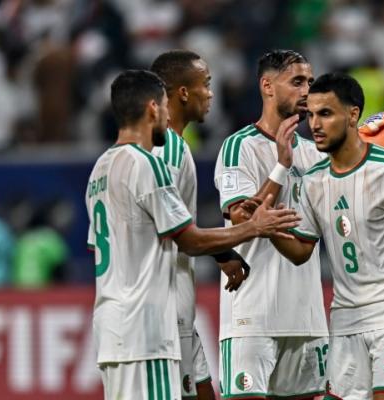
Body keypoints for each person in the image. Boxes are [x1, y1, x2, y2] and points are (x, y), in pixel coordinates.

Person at [86, 69, 300, 400]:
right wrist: (254, 227)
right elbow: (188, 239)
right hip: (146, 325)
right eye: (164, 106)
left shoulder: (99, 170)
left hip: (111, 324)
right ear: (153, 108)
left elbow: (100, 246)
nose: (167, 115)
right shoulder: (147, 164)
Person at [269, 72, 384, 400]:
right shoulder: (313, 181)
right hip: (345, 317)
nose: (315, 125)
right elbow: (301, 251)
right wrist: (268, 230)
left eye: (325, 114)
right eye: (311, 115)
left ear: (353, 115)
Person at [213, 50, 329, 399]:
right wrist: (281, 166)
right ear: (267, 86)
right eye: (297, 82)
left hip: (307, 319)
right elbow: (241, 217)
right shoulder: (239, 147)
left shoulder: (317, 153)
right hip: (253, 318)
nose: (306, 91)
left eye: (309, 82)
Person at [150, 49, 251, 400]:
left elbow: (174, 218)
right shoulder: (168, 149)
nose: (210, 94)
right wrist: (254, 228)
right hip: (165, 310)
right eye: (205, 85)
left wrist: (222, 253)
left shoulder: (168, 146)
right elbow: (175, 232)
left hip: (177, 310)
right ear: (182, 93)